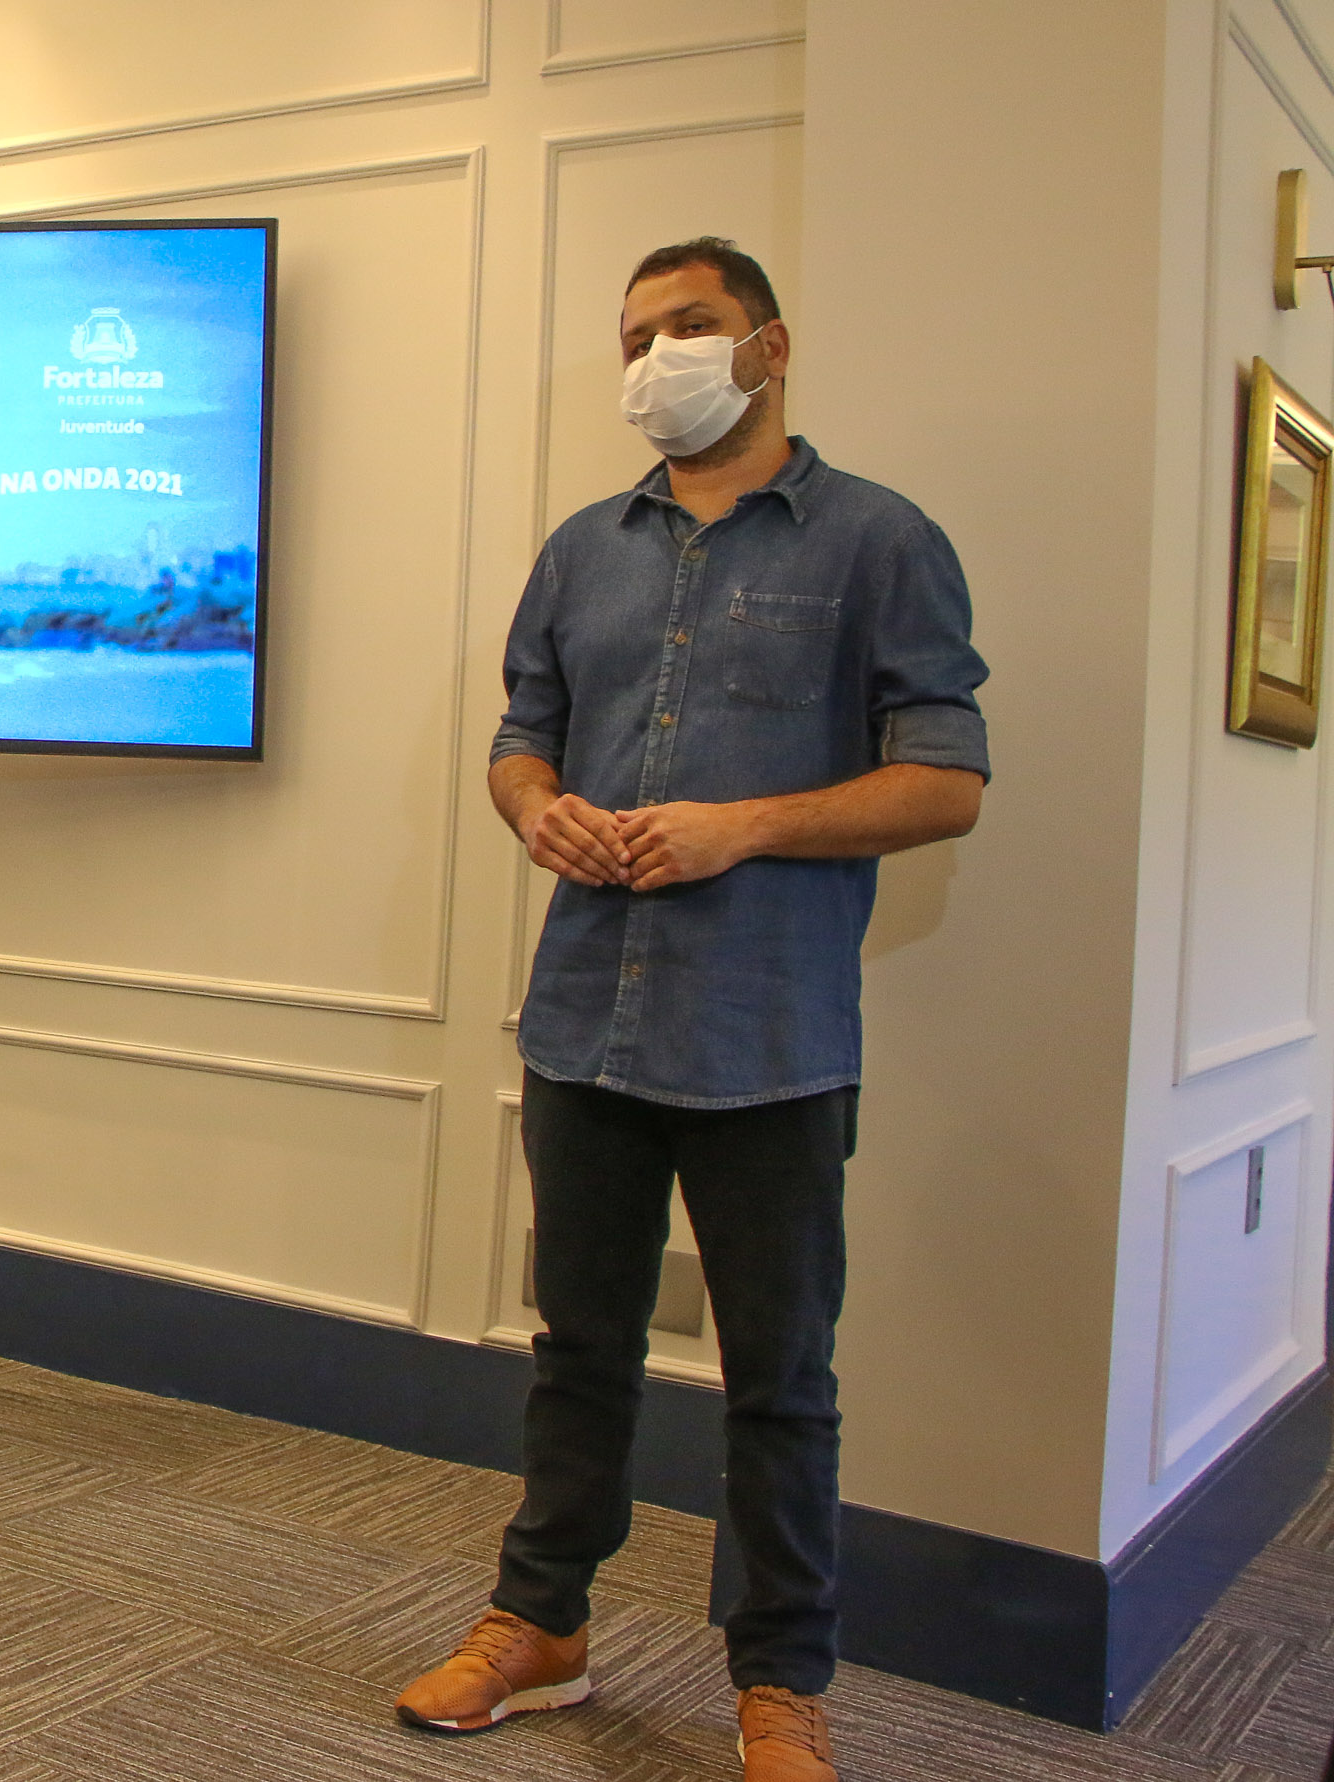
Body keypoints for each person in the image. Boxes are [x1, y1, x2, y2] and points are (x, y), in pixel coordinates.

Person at [391, 238, 989, 1782]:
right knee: (578, 1347)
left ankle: (782, 1679)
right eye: (637, 333)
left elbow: (947, 779)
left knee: (782, 1377)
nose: (658, 355)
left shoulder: (880, 541)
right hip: (586, 1016)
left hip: (769, 1040)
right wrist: (534, 807)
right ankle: (545, 1624)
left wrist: (746, 823)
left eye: (691, 327)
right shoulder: (586, 546)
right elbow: (522, 736)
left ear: (768, 345)